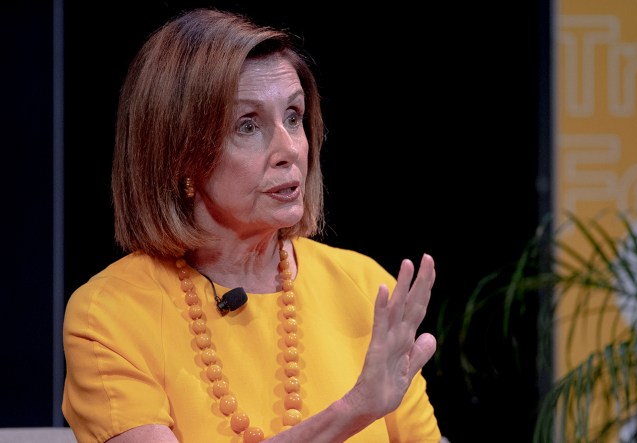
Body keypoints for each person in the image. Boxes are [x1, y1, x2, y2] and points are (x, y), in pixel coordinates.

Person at [61, 7, 442, 443]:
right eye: (248, 125)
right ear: (180, 152)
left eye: (294, 117)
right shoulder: (109, 316)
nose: (289, 149)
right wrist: (355, 410)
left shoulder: (365, 287)